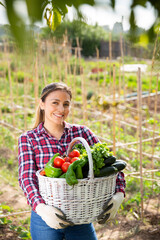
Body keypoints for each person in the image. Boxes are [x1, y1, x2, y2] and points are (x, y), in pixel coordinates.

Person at [18, 82, 126, 240]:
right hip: (45, 218)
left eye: (66, 104)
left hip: (81, 216)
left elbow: (112, 165)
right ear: (42, 104)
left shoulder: (82, 133)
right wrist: (41, 208)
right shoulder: (29, 139)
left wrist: (119, 195)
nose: (61, 110)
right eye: (55, 103)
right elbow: (26, 177)